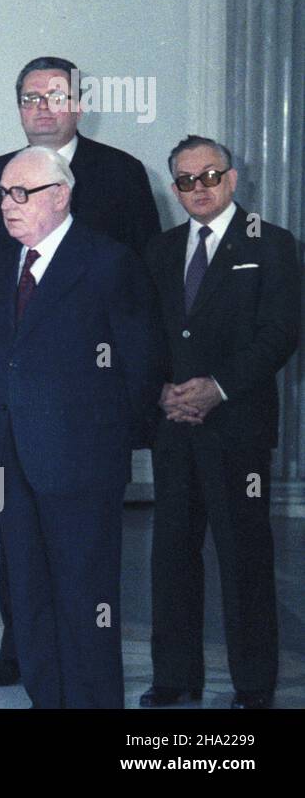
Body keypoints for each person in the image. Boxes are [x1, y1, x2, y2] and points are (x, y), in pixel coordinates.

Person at [0, 55, 161, 688]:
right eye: (4, 194)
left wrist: (110, 439)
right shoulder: (7, 263)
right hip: (13, 453)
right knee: (28, 595)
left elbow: (140, 359)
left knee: (87, 601)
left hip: (82, 456)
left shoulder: (107, 259)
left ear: (62, 196)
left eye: (22, 194)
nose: (8, 204)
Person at [140, 136, 301, 710]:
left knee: (244, 555)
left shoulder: (273, 244)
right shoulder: (159, 251)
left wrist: (219, 388)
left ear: (232, 179)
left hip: (238, 425)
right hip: (174, 424)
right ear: (174, 188)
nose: (199, 188)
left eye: (209, 176)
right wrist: (161, 389)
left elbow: (280, 334)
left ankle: (254, 684)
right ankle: (174, 677)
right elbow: (148, 335)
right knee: (172, 554)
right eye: (185, 180)